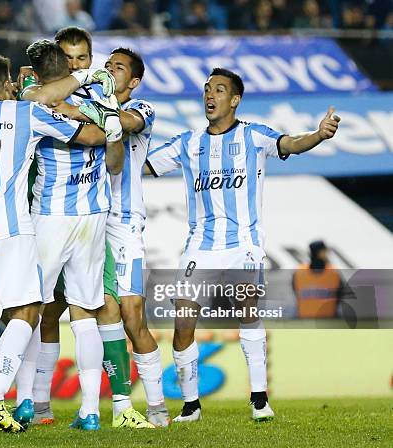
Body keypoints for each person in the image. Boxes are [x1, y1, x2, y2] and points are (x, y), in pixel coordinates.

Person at [145, 67, 340, 422]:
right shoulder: (187, 142)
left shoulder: (253, 136)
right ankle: (191, 405)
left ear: (234, 100)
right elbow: (141, 167)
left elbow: (291, 144)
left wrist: (319, 135)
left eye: (218, 90)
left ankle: (259, 398)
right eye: (207, 89)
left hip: (244, 244)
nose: (210, 95)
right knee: (183, 319)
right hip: (200, 247)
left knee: (246, 308)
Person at [0, 54, 120, 434]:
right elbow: (92, 136)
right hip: (10, 226)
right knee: (27, 311)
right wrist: (85, 81)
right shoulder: (25, 114)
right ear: (8, 84)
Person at [78, 47, 171, 427]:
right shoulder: (90, 104)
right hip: (90, 218)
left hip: (125, 223)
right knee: (104, 309)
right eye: (106, 65)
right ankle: (118, 406)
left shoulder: (143, 109)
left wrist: (89, 108)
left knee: (134, 316)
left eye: (117, 68)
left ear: (132, 82)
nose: (108, 71)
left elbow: (127, 123)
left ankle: (157, 405)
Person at [293, 240, 343, 318]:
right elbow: (340, 295)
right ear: (321, 253)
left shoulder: (299, 272)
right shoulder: (333, 272)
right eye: (325, 251)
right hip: (324, 320)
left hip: (307, 320)